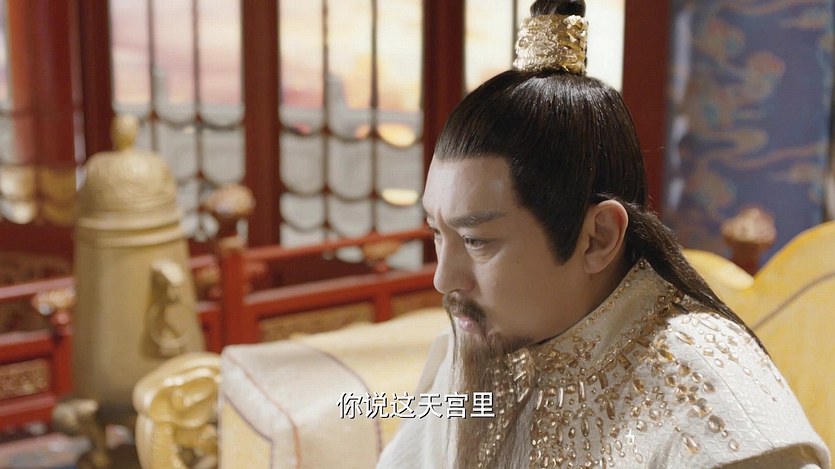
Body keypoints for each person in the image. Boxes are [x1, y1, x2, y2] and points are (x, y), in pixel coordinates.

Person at [377, 0, 831, 468]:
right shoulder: (485, 344)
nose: (444, 279)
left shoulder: (711, 408)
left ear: (597, 238)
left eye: (476, 242)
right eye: (437, 233)